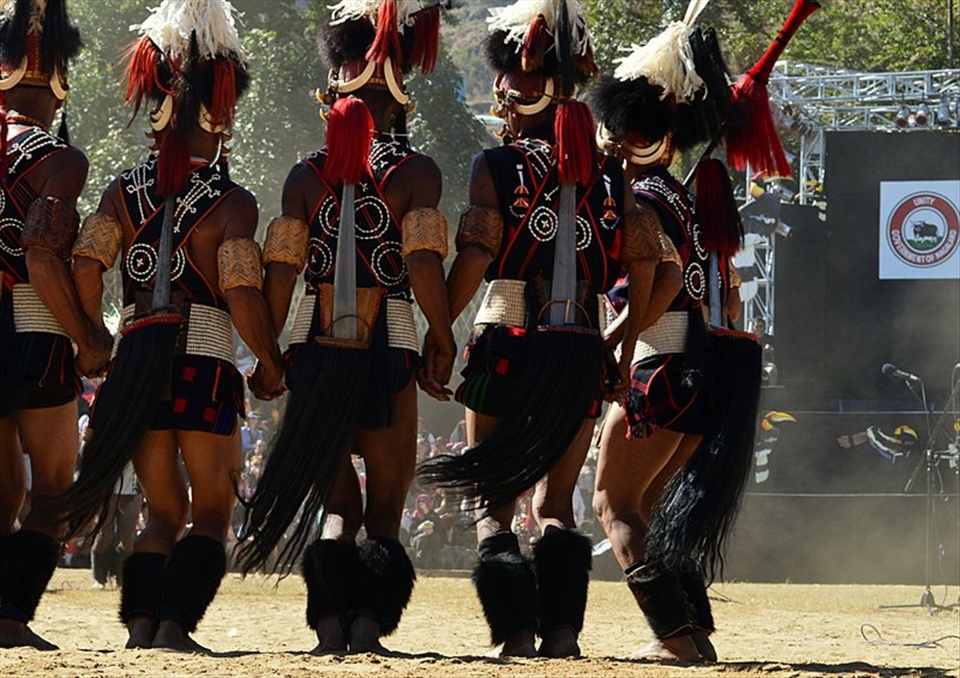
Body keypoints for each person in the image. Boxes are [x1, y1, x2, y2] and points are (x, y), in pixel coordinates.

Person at [418, 0, 660, 659]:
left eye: (504, 83)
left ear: (512, 90)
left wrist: (438, 330)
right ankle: (562, 635)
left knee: (492, 501)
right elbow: (651, 268)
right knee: (556, 507)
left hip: (506, 339)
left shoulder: (494, 167)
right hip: (580, 345)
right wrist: (620, 344)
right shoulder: (614, 178)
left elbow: (474, 257)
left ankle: (515, 633)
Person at [587, 1, 812, 661]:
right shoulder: (684, 197)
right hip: (700, 369)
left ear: (630, 136)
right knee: (649, 501)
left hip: (659, 367)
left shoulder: (646, 199)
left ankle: (675, 639)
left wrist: (610, 347)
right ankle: (695, 634)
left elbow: (657, 286)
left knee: (614, 504)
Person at [63, 0, 284, 652]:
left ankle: (140, 625)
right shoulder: (233, 204)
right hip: (202, 368)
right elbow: (242, 295)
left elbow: (84, 266)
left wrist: (95, 340)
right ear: (220, 111)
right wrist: (268, 361)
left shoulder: (118, 191)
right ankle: (174, 624)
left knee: (162, 511)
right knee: (210, 513)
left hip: (136, 366)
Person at [236, 0, 454, 655]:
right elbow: (421, 267)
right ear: (399, 103)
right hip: (389, 351)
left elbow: (280, 278)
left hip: (314, 354)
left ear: (332, 100)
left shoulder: (304, 178)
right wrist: (442, 339)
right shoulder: (417, 174)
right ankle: (367, 628)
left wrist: (269, 358)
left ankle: (330, 627)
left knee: (338, 509)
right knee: (385, 511)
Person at [0, 0, 112, 650]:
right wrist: (89, 337)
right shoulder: (60, 158)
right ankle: (12, 614)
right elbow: (42, 256)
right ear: (59, 79)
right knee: (52, 488)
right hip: (35, 330)